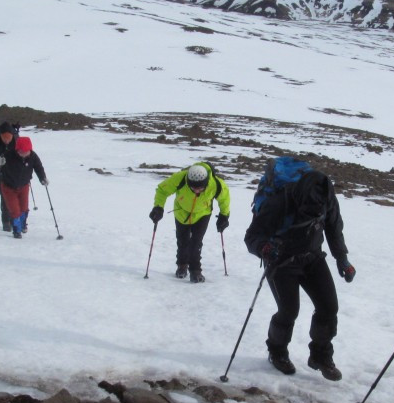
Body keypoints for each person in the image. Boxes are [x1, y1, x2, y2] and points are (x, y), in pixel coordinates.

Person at [244, 169, 356, 381]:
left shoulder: (326, 197)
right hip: (281, 261)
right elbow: (252, 237)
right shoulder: (279, 202)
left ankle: (320, 356)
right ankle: (277, 352)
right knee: (288, 311)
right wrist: (265, 249)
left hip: (312, 257)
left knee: (329, 307)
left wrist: (342, 259)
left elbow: (333, 227)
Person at [149, 163, 230, 283]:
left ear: (206, 182)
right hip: (181, 213)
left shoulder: (216, 184)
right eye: (193, 188)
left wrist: (224, 215)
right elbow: (162, 189)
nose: (197, 190)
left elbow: (224, 199)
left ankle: (195, 271)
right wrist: (158, 207)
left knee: (196, 243)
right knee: (182, 241)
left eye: (200, 188)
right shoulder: (181, 178)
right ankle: (182, 265)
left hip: (202, 214)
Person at [0, 136, 48, 239]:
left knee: (24, 208)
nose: (24, 154)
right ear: (17, 150)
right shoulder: (8, 155)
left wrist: (43, 178)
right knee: (15, 210)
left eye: (26, 151)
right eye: (21, 151)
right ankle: (17, 229)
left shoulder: (33, 156)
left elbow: (39, 167)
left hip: (24, 186)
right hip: (8, 187)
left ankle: (23, 223)